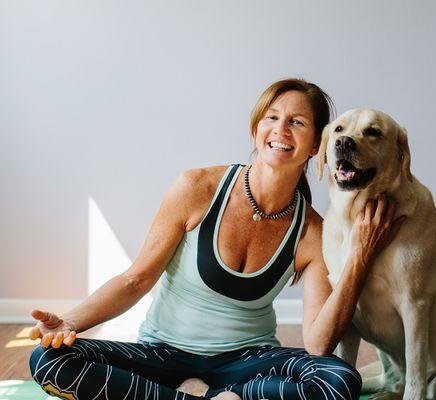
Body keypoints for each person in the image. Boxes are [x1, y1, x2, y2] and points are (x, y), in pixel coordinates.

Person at [28, 78, 402, 400]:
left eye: (297, 122)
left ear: (316, 145)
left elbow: (318, 344)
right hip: (163, 355)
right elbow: (135, 279)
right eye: (271, 117)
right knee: (48, 359)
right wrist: (69, 323)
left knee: (339, 380)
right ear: (256, 127)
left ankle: (200, 394)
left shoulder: (311, 232)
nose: (280, 130)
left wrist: (359, 255)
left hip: (246, 364)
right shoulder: (197, 188)